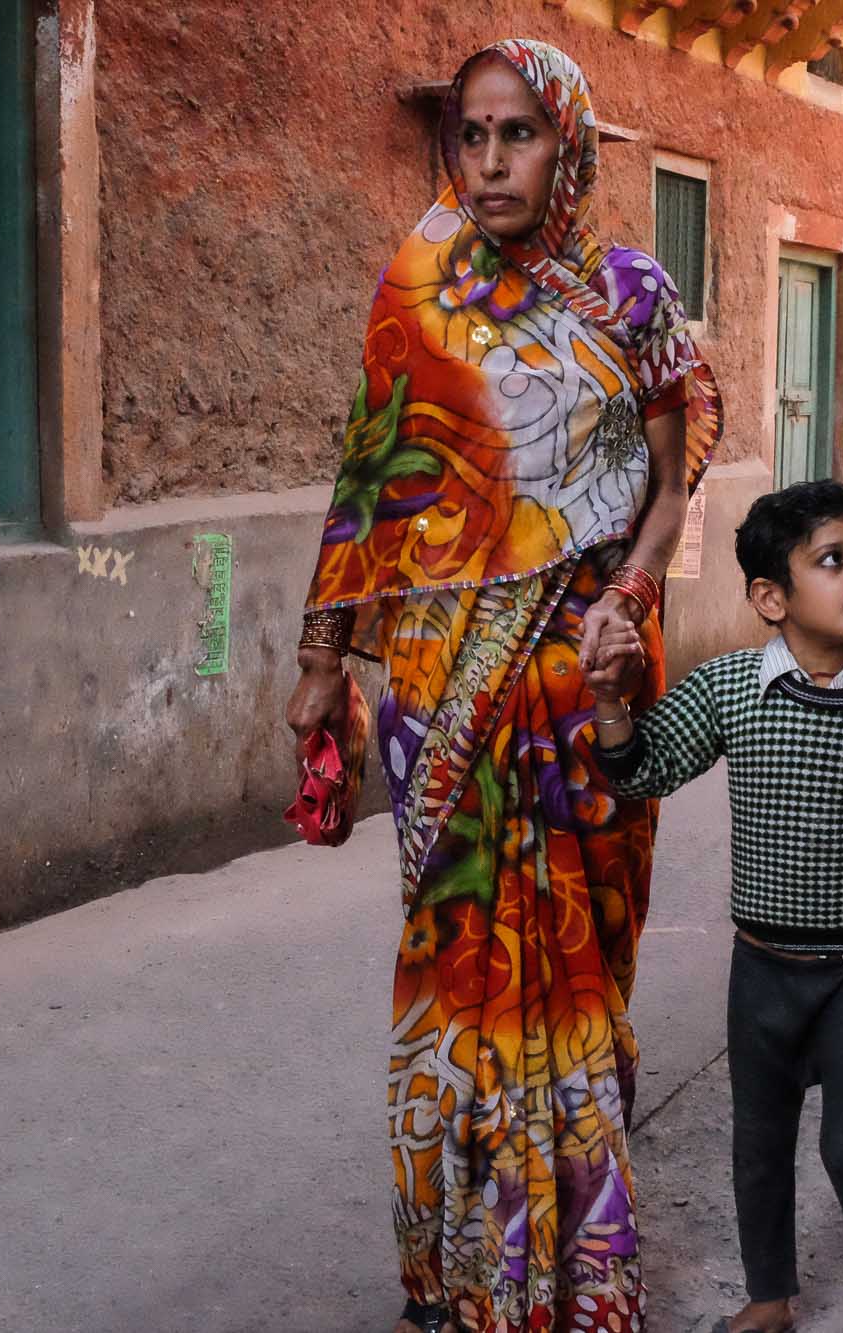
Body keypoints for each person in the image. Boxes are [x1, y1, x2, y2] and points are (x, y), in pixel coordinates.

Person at [283, 36, 722, 1333]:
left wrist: (633, 598)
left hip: (583, 683)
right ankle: (463, 1274)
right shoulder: (417, 290)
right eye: (469, 135)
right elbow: (371, 477)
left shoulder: (630, 293)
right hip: (438, 688)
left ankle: (579, 1275)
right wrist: (321, 657)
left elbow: (670, 469)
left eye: (516, 132)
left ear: (568, 143)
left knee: (575, 974)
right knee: (457, 971)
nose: (488, 160)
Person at [586, 482, 843, 1333]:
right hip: (759, 968)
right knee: (759, 1149)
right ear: (770, 597)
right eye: (833, 560)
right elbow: (642, 769)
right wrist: (612, 700)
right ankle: (770, 1297)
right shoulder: (730, 690)